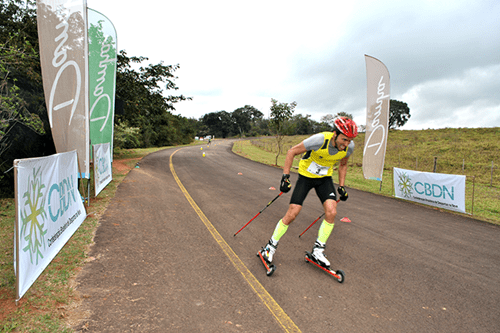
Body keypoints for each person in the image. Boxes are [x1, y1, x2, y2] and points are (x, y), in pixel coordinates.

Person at [258, 117, 358, 268]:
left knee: (331, 211)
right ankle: (269, 247)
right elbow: (291, 152)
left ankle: (318, 250)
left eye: (349, 141)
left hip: (324, 179)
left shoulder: (348, 148)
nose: (346, 144)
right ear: (334, 134)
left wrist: (342, 186)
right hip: (306, 177)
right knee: (293, 213)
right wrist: (285, 178)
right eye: (344, 139)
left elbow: (343, 165)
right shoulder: (319, 140)